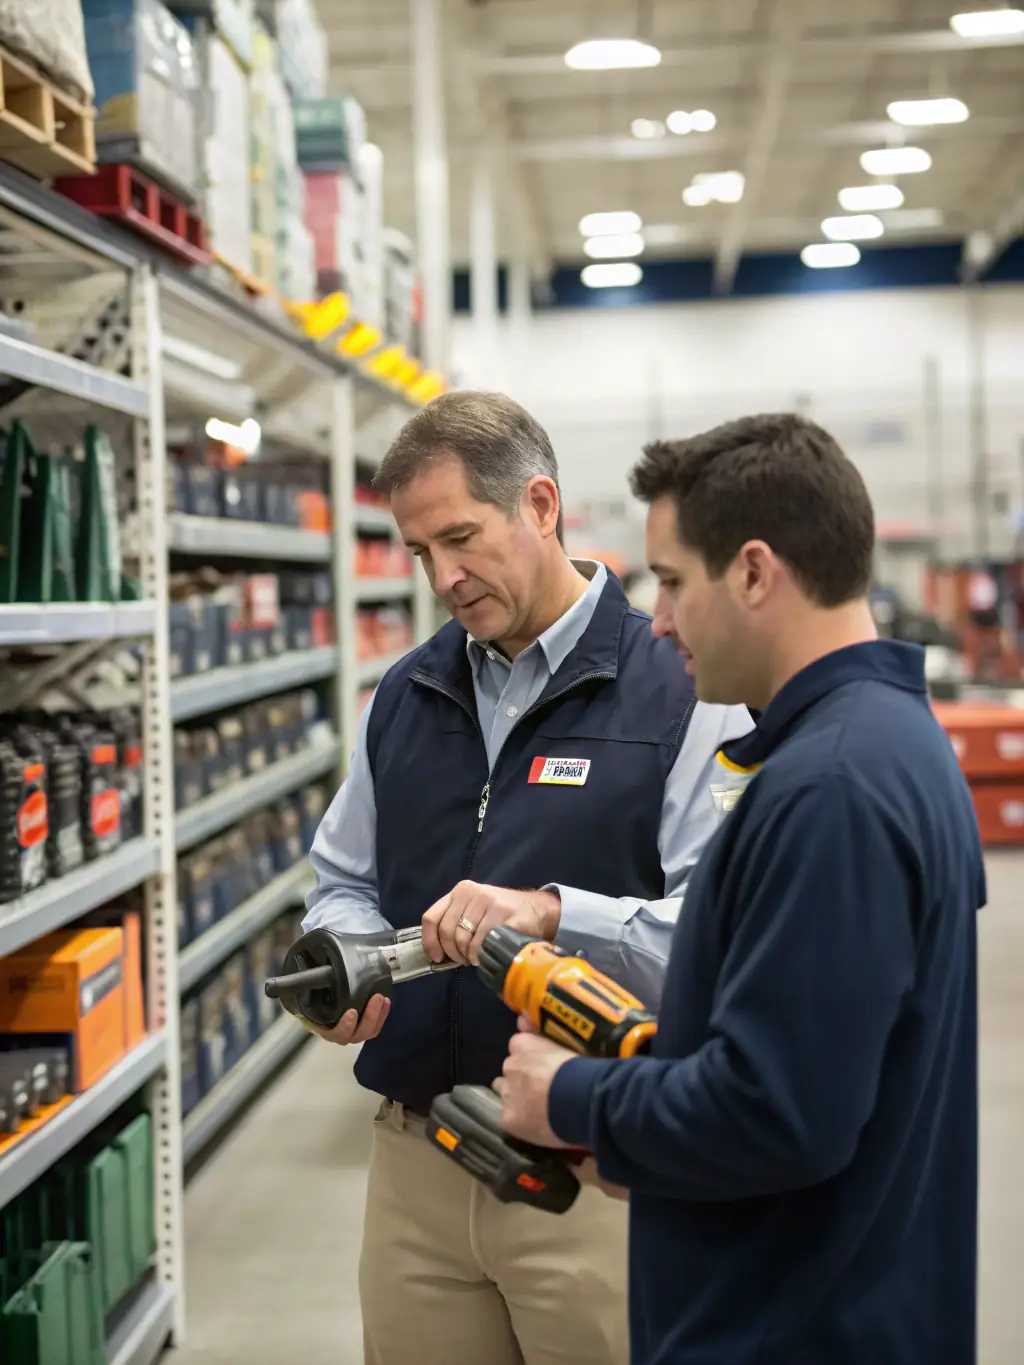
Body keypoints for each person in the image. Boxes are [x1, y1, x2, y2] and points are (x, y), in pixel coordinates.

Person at [497, 412, 984, 1365]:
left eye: (673, 581)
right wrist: (652, 1131)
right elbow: (825, 1078)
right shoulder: (883, 744)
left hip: (792, 1324)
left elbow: (777, 1112)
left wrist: (577, 1096)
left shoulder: (832, 788)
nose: (661, 616)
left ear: (756, 571)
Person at [302, 390, 752, 1365]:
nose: (444, 578)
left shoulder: (679, 688)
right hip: (417, 1159)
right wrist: (342, 952)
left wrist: (552, 918)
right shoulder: (408, 694)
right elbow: (340, 876)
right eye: (420, 553)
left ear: (540, 506)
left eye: (461, 537)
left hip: (594, 1170)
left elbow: (714, 938)